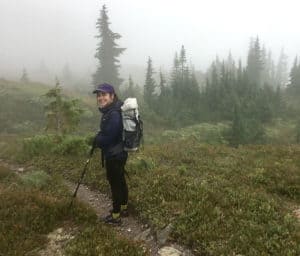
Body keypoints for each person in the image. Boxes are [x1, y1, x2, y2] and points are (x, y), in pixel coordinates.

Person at [93, 83, 128, 225]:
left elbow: (109, 138)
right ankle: (124, 207)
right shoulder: (115, 110)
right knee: (120, 180)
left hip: (114, 155)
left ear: (112, 96)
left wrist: (96, 140)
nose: (100, 98)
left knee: (115, 184)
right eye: (99, 95)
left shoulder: (113, 114)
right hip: (120, 152)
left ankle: (115, 216)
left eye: (104, 95)